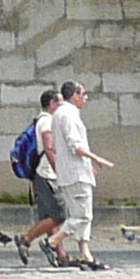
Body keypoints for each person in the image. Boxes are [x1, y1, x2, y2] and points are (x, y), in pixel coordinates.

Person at [47, 80, 114, 269]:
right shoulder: (68, 115)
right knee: (81, 216)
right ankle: (52, 242)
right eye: (83, 94)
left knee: (84, 214)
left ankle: (86, 255)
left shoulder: (61, 114)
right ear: (75, 96)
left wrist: (87, 164)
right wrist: (97, 159)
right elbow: (75, 145)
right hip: (75, 173)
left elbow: (56, 146)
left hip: (71, 171)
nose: (86, 98)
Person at [12, 86, 64, 267]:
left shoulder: (40, 121)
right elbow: (49, 149)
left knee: (49, 217)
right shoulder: (48, 122)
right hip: (47, 174)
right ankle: (26, 240)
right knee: (60, 214)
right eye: (60, 102)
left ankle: (61, 255)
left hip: (39, 174)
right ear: (52, 104)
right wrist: (59, 171)